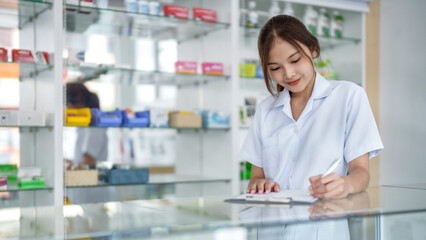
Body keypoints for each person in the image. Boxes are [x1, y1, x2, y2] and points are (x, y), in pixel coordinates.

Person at [240, 15, 383, 199]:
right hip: (272, 222)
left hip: (324, 217)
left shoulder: (349, 96)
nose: (289, 74)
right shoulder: (265, 109)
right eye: (275, 68)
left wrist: (345, 184)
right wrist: (259, 184)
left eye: (295, 60)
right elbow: (256, 177)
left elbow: (361, 173)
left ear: (313, 49)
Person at [66, 82, 108, 168]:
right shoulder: (83, 126)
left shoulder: (94, 129)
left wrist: (70, 166)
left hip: (92, 178)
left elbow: (89, 162)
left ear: (69, 104)